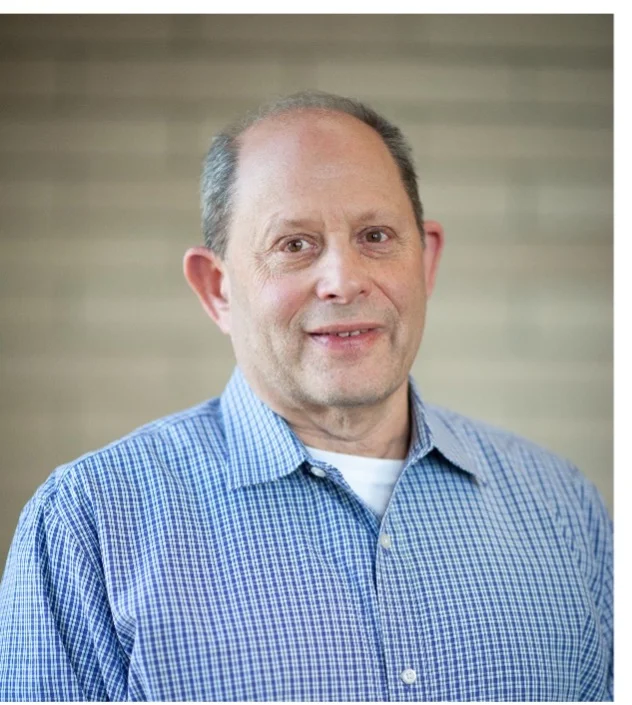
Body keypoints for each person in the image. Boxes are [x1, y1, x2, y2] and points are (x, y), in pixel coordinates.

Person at [0, 91, 612, 702]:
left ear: (425, 262)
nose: (343, 281)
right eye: (294, 244)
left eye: (375, 236)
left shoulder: (562, 507)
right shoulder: (89, 525)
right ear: (217, 289)